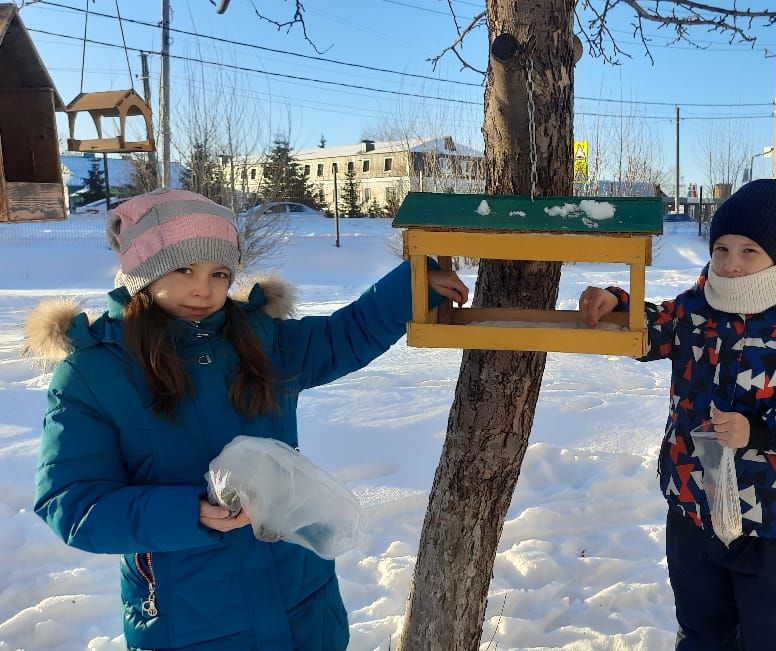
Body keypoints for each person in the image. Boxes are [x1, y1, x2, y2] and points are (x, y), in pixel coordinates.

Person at [26, 188, 468, 650]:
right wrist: (188, 512)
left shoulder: (259, 339)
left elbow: (346, 334)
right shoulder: (95, 371)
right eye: (184, 269)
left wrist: (414, 287)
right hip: (188, 613)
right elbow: (73, 504)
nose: (205, 288)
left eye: (219, 272)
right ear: (142, 270)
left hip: (299, 595)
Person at [578, 179, 776, 650]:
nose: (730, 264)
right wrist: (615, 303)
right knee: (702, 636)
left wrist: (762, 431)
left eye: (749, 251)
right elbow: (650, 325)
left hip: (771, 521)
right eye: (722, 248)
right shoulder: (694, 311)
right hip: (691, 513)